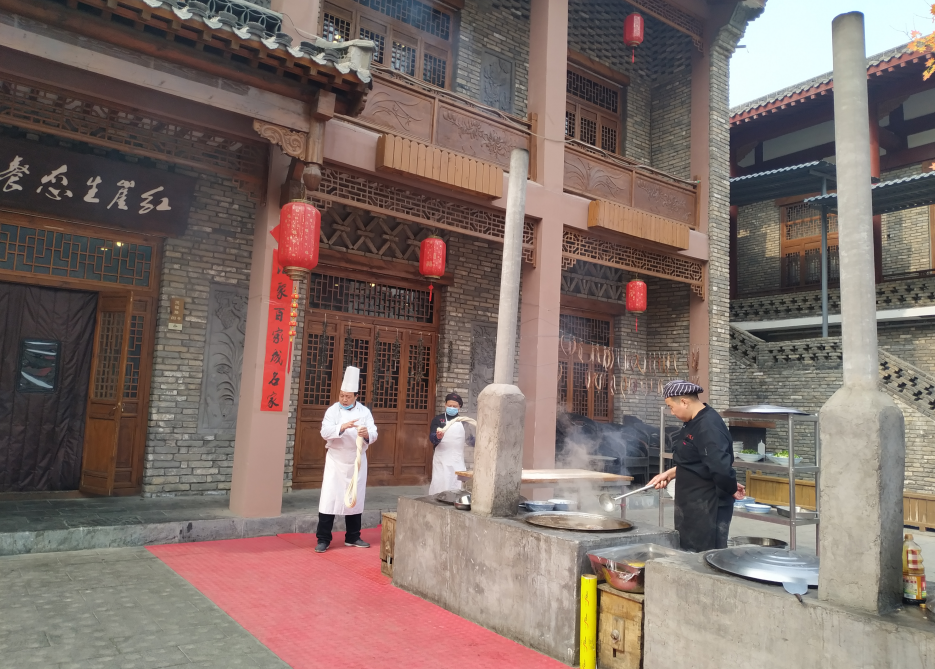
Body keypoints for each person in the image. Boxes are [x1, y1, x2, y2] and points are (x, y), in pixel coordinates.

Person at [649, 380, 746, 552]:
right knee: (688, 552)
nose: (672, 412)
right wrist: (670, 474)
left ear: (684, 402)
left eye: (671, 407)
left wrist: (730, 487)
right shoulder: (693, 421)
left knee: (704, 556)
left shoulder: (708, 426)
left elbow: (721, 468)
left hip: (707, 508)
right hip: (692, 506)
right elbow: (697, 461)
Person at [315, 366, 378, 553]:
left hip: (356, 460)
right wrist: (341, 427)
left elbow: (374, 432)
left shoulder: (364, 412)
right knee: (329, 498)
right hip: (336, 460)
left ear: (356, 396)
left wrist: (366, 433)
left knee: (354, 498)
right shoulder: (332, 411)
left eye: (348, 396)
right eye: (342, 395)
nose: (344, 399)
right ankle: (323, 538)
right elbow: (324, 432)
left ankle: (353, 536)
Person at [428, 393, 468, 494]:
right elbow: (432, 438)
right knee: (440, 485)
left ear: (459, 407)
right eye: (449, 405)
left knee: (457, 487)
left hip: (457, 461)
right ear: (445, 405)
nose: (452, 408)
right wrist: (437, 437)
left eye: (454, 406)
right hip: (442, 460)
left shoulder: (464, 422)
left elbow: (470, 440)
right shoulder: (438, 420)